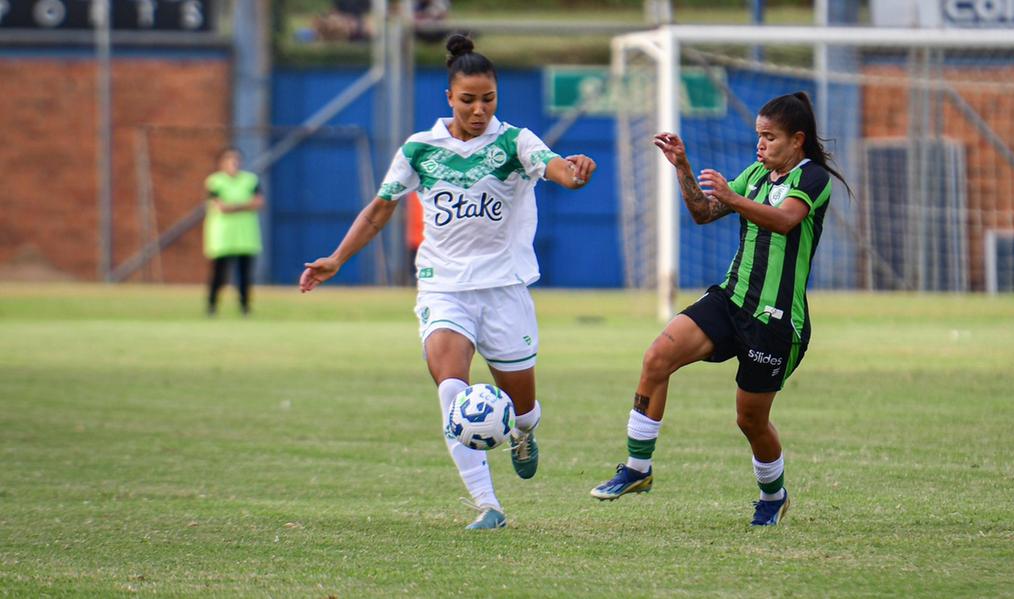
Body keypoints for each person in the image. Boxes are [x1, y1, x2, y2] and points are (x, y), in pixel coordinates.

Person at [299, 34, 596, 530]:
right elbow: (379, 210)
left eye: (488, 99)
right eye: (468, 100)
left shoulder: (514, 141)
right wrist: (336, 259)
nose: (479, 110)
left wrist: (577, 172)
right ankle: (488, 505)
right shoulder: (419, 149)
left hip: (504, 290)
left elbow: (558, 170)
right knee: (451, 392)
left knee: (522, 408)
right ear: (449, 98)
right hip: (443, 288)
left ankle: (523, 432)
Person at [589, 91, 849, 526]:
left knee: (750, 420)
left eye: (770, 137)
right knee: (657, 357)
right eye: (758, 136)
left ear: (797, 140)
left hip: (775, 321)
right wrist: (683, 167)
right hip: (731, 299)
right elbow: (703, 213)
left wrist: (731, 197)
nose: (760, 145)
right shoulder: (756, 174)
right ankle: (638, 468)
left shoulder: (812, 179)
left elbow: (784, 221)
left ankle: (773, 494)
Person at [204, 148, 264, 316]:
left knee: (245, 276)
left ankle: (245, 308)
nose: (233, 164)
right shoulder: (215, 181)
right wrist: (244, 205)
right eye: (229, 160)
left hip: (245, 236)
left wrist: (233, 206)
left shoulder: (250, 180)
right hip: (222, 236)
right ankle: (212, 306)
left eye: (236, 160)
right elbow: (220, 206)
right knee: (219, 275)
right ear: (222, 163)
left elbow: (258, 202)